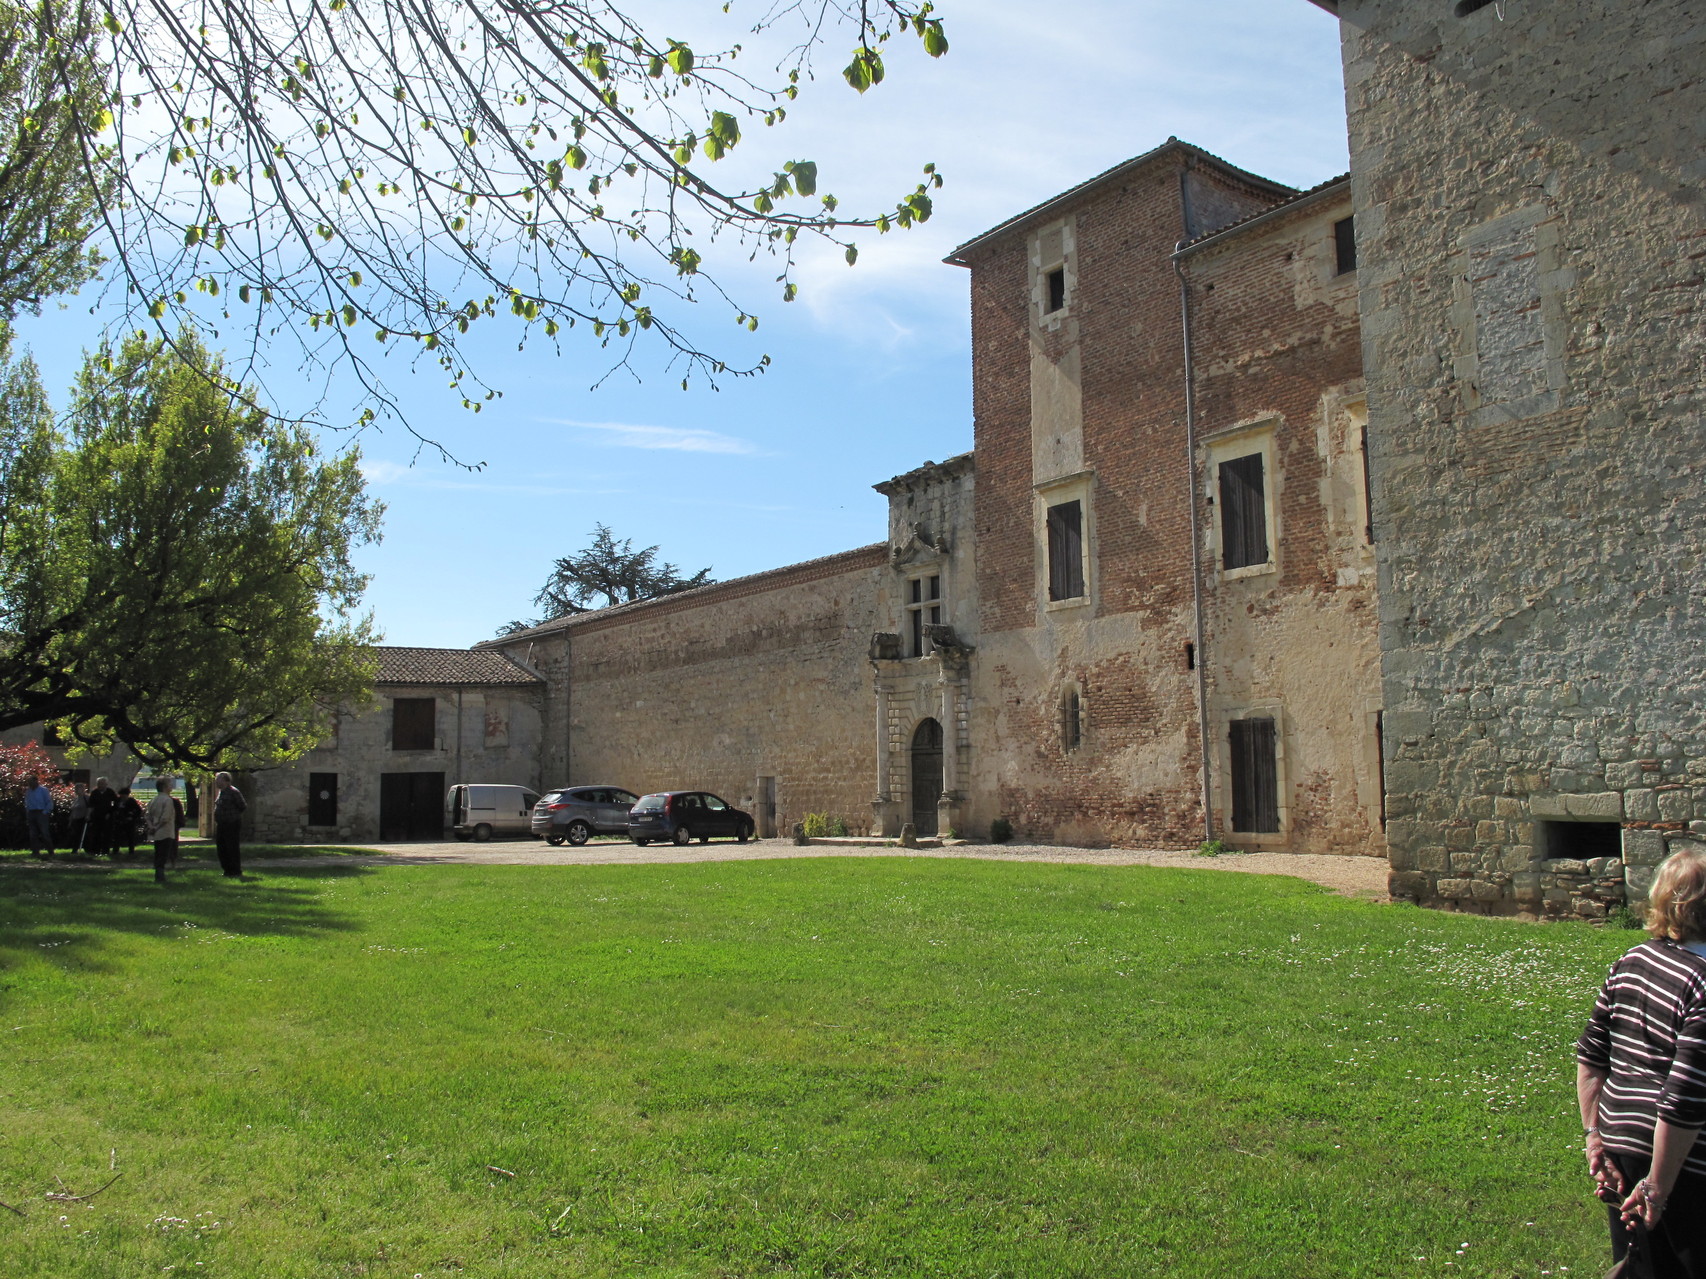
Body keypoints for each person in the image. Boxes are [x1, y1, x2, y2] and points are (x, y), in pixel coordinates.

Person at [1578, 845, 1706, 1278]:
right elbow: (1683, 1099)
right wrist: (1658, 1184)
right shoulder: (1703, 985)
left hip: (1621, 1148)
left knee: (1638, 1269)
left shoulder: (1631, 960)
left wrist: (1595, 1138)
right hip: (1680, 1165)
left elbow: (1591, 1057)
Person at [144, 777, 179, 884]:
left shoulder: (153, 800)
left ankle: (158, 875)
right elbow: (165, 818)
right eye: (169, 784)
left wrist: (151, 827)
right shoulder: (167, 800)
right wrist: (157, 827)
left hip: (156, 833)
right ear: (164, 787)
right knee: (163, 855)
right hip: (166, 832)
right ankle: (160, 876)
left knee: (158, 853)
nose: (171, 786)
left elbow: (147, 815)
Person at [212, 771, 246, 878]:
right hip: (222, 824)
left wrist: (233, 816)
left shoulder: (233, 792)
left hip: (231, 823)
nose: (216, 782)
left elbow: (242, 806)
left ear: (226, 781)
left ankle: (235, 871)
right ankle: (227, 870)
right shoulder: (221, 792)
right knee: (222, 848)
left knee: (231, 847)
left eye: (219, 780)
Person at [22, 773, 54, 857]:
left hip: (41, 812)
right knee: (33, 833)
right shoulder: (28, 791)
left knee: (44, 833)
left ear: (36, 781)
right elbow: (27, 803)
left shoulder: (43, 790)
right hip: (32, 812)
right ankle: (35, 851)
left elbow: (49, 802)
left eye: (31, 782)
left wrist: (45, 812)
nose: (30, 784)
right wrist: (27, 813)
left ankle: (50, 851)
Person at [87, 776, 116, 857]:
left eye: (103, 784)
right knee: (96, 834)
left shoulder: (110, 792)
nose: (101, 786)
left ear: (106, 784)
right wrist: (88, 815)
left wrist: (110, 813)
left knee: (107, 834)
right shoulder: (94, 792)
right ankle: (96, 850)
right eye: (99, 784)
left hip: (107, 816)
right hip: (96, 816)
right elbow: (90, 805)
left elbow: (115, 804)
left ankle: (105, 851)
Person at [115, 786, 143, 857]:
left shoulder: (131, 801)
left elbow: (138, 811)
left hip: (129, 822)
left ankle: (131, 851)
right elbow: (114, 809)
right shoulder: (118, 801)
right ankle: (115, 851)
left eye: (124, 796)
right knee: (117, 836)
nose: (123, 798)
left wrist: (132, 817)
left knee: (131, 837)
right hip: (120, 821)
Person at [67, 780, 88, 853]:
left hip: (82, 819)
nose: (76, 790)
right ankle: (75, 849)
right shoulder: (76, 799)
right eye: (75, 788)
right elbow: (73, 810)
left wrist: (87, 816)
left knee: (80, 835)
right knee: (74, 835)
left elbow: (89, 808)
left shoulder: (86, 798)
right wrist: (70, 820)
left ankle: (85, 849)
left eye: (78, 788)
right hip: (75, 819)